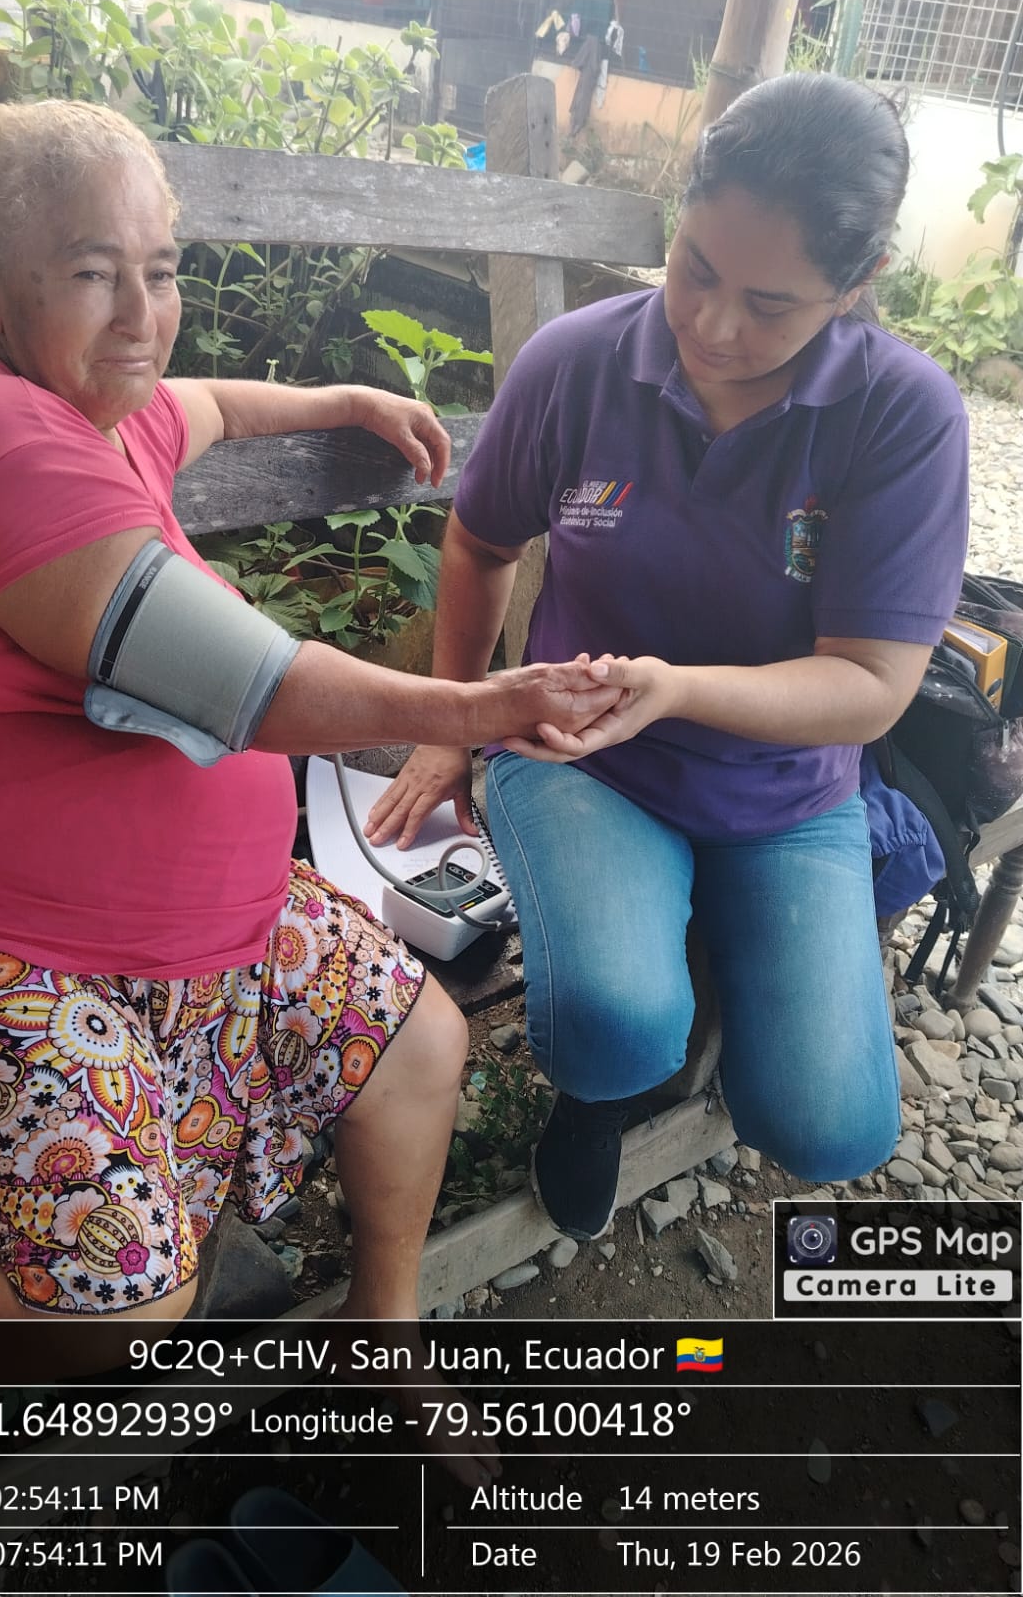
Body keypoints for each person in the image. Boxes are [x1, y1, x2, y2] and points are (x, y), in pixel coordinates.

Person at [0, 95, 626, 1369]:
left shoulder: (93, 399)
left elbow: (198, 403)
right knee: (126, 1290)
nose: (141, 315)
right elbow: (246, 683)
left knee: (423, 1045)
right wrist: (480, 707)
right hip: (7, 938)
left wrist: (338, 398)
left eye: (161, 270)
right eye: (93, 274)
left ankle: (383, 1340)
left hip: (207, 919)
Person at [367, 73, 970, 1242]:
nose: (712, 325)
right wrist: (452, 722)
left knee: (833, 1129)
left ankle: (716, 970)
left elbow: (871, 684)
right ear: (681, 213)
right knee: (616, 1018)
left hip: (785, 791)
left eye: (770, 303)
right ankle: (600, 1094)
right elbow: (481, 540)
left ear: (859, 284)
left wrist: (677, 691)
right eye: (696, 267)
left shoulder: (904, 416)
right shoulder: (577, 362)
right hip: (581, 757)